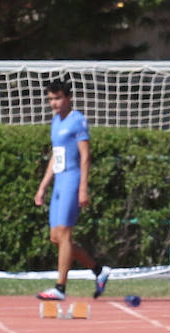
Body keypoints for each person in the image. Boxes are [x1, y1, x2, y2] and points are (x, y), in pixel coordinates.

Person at [33, 78, 110, 302]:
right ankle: (98, 271)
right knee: (56, 237)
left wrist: (83, 188)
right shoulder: (55, 122)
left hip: (72, 179)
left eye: (58, 98)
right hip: (59, 180)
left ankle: (60, 287)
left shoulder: (77, 120)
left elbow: (85, 156)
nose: (54, 103)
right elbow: (55, 157)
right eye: (50, 99)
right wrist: (43, 186)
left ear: (68, 98)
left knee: (65, 233)